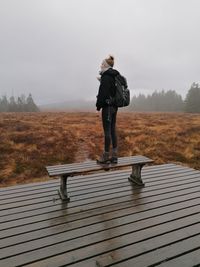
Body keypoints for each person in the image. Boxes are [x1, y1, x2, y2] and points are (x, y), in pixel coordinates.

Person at [96, 55, 119, 164]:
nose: (100, 65)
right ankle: (114, 156)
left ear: (105, 65)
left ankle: (105, 156)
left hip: (107, 107)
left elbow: (103, 94)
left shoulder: (106, 77)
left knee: (107, 131)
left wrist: (98, 105)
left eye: (102, 64)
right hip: (114, 107)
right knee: (113, 130)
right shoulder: (114, 75)